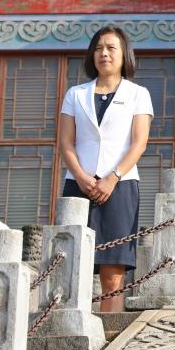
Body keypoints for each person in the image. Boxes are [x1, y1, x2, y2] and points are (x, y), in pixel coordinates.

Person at [58, 25, 153, 312]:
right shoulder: (75, 94)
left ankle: (110, 330)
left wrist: (112, 178)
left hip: (120, 187)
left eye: (111, 48)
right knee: (73, 267)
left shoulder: (138, 94)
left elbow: (139, 143)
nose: (104, 54)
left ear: (125, 55)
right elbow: (66, 142)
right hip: (78, 185)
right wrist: (81, 176)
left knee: (112, 272)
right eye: (98, 48)